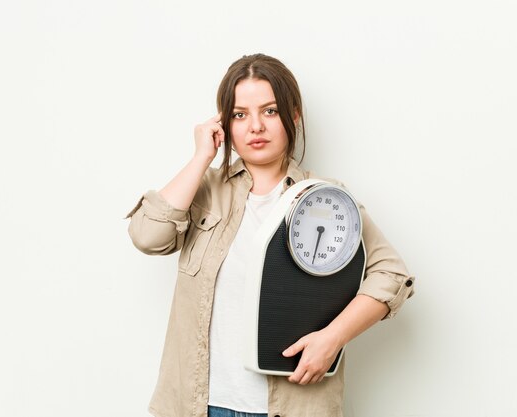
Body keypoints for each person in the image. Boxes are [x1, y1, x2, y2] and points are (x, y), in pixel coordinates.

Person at [125, 53, 415, 417]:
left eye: (270, 111)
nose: (255, 127)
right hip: (201, 404)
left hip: (294, 406)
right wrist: (202, 156)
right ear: (224, 124)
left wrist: (333, 337)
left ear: (293, 116)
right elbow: (148, 236)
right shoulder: (203, 191)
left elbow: (392, 274)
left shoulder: (326, 197)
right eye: (240, 115)